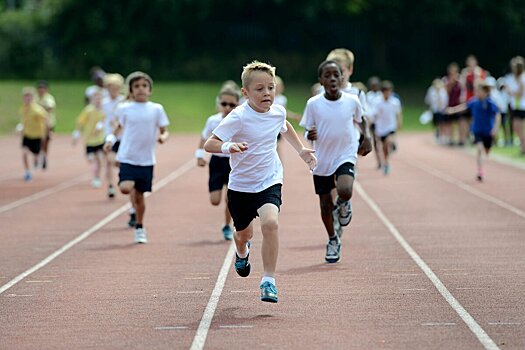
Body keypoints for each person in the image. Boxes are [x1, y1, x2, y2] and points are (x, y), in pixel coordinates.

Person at [204, 61, 316, 303]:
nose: (267, 93)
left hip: (269, 179)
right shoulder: (238, 117)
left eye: (271, 88)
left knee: (271, 223)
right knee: (244, 234)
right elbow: (209, 143)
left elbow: (284, 126)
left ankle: (269, 280)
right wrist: (228, 146)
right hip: (241, 185)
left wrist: (301, 150)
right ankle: (242, 251)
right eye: (260, 89)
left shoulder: (278, 111)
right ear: (245, 93)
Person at [300, 60, 372, 264]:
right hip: (322, 157)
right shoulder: (313, 104)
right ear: (321, 80)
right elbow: (307, 127)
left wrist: (366, 137)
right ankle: (333, 239)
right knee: (324, 204)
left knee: (345, 189)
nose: (332, 78)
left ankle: (343, 204)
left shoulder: (352, 100)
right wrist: (309, 132)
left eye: (336, 74)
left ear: (342, 78)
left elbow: (362, 119)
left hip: (345, 153)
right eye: (327, 75)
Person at [103, 71, 169, 244]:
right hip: (127, 157)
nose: (141, 89)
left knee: (139, 197)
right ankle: (130, 194)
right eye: (137, 86)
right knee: (125, 187)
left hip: (146, 160)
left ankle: (139, 226)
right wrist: (110, 140)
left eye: (144, 86)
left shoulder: (156, 109)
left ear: (150, 90)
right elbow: (117, 129)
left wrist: (163, 137)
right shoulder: (124, 109)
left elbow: (164, 130)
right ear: (131, 91)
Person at [196, 86, 240, 241]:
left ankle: (228, 225)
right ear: (219, 104)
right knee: (215, 200)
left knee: (230, 198)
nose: (227, 107)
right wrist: (199, 155)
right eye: (224, 104)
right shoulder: (213, 120)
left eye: (232, 105)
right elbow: (204, 138)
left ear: (237, 104)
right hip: (216, 163)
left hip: (233, 163)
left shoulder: (239, 120)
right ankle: (226, 224)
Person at [447, 82, 501, 181]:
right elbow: (464, 107)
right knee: (479, 149)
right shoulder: (474, 102)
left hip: (488, 131)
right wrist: (452, 110)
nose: (477, 93)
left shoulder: (490, 103)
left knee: (487, 150)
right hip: (477, 130)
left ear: (485, 92)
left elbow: (497, 115)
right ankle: (480, 171)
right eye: (476, 90)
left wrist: (495, 129)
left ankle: (487, 154)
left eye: (479, 91)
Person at [72, 90, 107, 189]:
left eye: (100, 99)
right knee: (91, 159)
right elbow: (80, 122)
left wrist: (100, 126)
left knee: (100, 159)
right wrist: (77, 133)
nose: (98, 101)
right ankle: (95, 175)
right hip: (89, 140)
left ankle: (96, 177)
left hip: (100, 139)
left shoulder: (104, 110)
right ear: (92, 100)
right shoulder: (88, 110)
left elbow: (106, 121)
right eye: (96, 99)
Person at [369, 81, 403, 175]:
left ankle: (392, 144)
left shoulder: (395, 102)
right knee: (384, 147)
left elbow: (398, 113)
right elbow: (373, 115)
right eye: (385, 91)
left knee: (389, 141)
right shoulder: (377, 102)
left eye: (389, 91)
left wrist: (399, 122)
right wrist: (371, 124)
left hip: (391, 126)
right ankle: (386, 163)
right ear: (382, 92)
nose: (387, 93)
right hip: (381, 128)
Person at [102, 73, 126, 199]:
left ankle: (123, 177)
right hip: (108, 136)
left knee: (120, 161)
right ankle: (111, 186)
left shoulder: (123, 101)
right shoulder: (103, 103)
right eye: (111, 87)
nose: (113, 89)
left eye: (116, 87)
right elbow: (99, 117)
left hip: (123, 136)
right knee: (109, 161)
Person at [17, 87, 49, 181]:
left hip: (36, 135)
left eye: (29, 97)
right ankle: (27, 171)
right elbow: (24, 120)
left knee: (35, 155)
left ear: (32, 98)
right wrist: (21, 127)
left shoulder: (37, 110)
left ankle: (39, 157)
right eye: (25, 97)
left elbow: (46, 119)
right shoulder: (23, 108)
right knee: (24, 153)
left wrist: (47, 132)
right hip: (27, 135)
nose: (27, 99)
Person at [459, 55, 488, 146]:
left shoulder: (479, 72)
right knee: (463, 119)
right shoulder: (465, 73)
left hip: (476, 100)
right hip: (467, 100)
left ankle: (474, 137)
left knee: (474, 119)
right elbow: (462, 86)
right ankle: (464, 139)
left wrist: (476, 75)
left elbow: (482, 85)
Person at [35, 80, 56, 170]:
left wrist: (39, 110)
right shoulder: (35, 98)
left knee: (45, 142)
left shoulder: (49, 98)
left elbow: (49, 108)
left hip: (47, 124)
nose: (41, 90)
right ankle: (37, 155)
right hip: (36, 124)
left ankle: (44, 157)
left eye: (43, 88)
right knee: (36, 141)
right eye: (40, 88)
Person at [506, 56, 525, 155]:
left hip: (521, 106)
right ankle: (523, 146)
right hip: (515, 106)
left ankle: (523, 148)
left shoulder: (522, 78)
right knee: (515, 128)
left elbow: (520, 93)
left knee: (518, 128)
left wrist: (510, 91)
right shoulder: (514, 78)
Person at [443, 62, 463, 145]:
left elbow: (463, 91)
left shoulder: (460, 80)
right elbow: (445, 93)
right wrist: (450, 84)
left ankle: (460, 139)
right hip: (449, 104)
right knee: (449, 123)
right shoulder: (446, 80)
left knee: (459, 123)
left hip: (458, 105)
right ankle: (450, 139)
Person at [425, 78, 449, 144]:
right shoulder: (431, 90)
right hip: (434, 110)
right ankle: (437, 134)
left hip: (441, 110)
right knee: (435, 124)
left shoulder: (443, 91)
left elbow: (445, 101)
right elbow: (428, 100)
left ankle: (442, 136)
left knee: (441, 123)